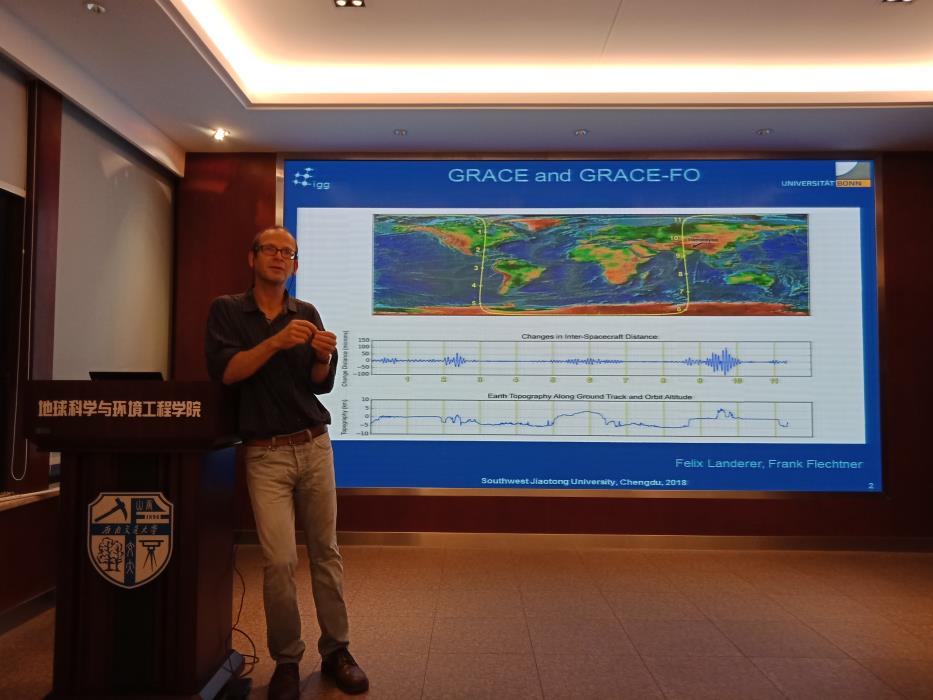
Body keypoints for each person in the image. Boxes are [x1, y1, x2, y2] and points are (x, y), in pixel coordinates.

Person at [205, 226, 368, 698]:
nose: (279, 257)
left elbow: (317, 384)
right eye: (271, 249)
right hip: (265, 454)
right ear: (252, 257)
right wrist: (275, 342)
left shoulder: (307, 313)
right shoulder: (227, 310)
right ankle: (287, 661)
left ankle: (337, 651)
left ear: (295, 265)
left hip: (314, 445)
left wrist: (323, 357)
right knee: (278, 562)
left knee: (326, 554)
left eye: (288, 252)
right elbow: (227, 372)